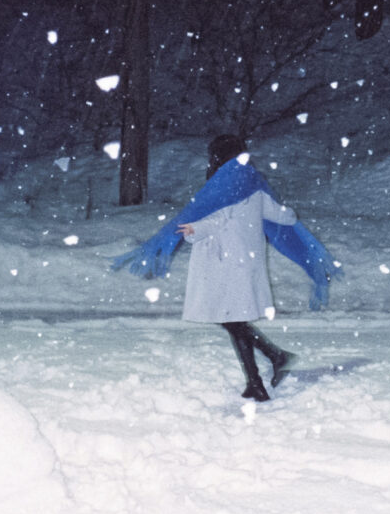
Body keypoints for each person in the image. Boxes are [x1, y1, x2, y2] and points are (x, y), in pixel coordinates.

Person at [113, 134, 340, 401]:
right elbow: (282, 216)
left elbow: (217, 218)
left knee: (231, 319)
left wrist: (194, 229)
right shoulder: (254, 182)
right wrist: (289, 216)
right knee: (233, 319)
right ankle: (265, 369)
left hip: (225, 261)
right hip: (245, 261)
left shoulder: (224, 183)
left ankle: (268, 367)